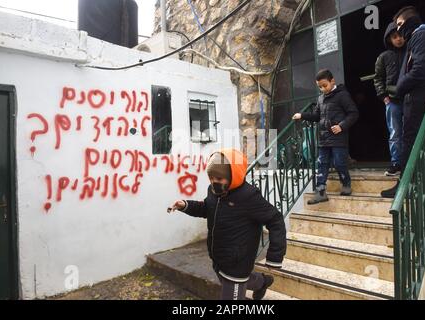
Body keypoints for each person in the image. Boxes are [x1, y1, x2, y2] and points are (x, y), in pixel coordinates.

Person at [169, 149, 287, 300]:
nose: (214, 182)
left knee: (235, 284)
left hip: (237, 263)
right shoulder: (212, 191)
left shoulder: (249, 196)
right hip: (218, 258)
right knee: (235, 280)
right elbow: (207, 208)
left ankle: (258, 283)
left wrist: (275, 256)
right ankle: (263, 282)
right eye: (211, 177)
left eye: (219, 178)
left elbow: (275, 220)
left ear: (233, 176)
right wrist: (185, 205)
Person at [381, 6, 425, 198]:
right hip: (417, 96)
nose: (399, 29)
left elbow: (420, 69)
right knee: (414, 141)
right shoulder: (423, 35)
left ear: (410, 21)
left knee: (411, 142)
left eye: (400, 24)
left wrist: (400, 87)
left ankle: (406, 186)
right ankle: (409, 183)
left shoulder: (421, 35)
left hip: (418, 97)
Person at [292, 69, 359, 204]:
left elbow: (353, 113)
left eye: (325, 85)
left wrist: (341, 126)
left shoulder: (342, 95)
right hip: (323, 138)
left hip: (338, 138)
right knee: (321, 164)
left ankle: (346, 184)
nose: (323, 89)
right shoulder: (320, 98)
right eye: (320, 87)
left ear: (332, 81)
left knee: (339, 163)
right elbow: (317, 116)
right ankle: (321, 192)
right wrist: (302, 115)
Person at [374, 22, 406, 176]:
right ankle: (396, 163)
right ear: (389, 39)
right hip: (392, 100)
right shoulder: (384, 56)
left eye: (400, 35)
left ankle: (409, 161)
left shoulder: (411, 51)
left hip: (410, 98)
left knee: (411, 130)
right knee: (395, 133)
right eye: (394, 37)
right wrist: (383, 96)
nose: (398, 39)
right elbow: (378, 78)